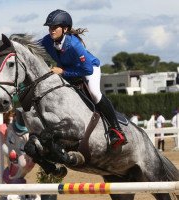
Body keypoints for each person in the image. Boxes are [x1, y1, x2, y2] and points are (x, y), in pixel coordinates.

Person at [39, 9, 127, 148]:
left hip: (89, 68)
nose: (51, 30)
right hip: (67, 70)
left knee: (95, 93)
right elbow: (31, 47)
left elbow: (87, 69)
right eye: (50, 27)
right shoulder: (47, 41)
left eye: (55, 27)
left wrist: (63, 72)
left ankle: (116, 130)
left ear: (65, 28)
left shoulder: (74, 44)